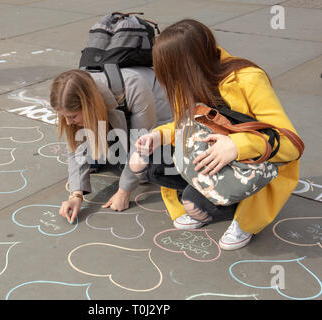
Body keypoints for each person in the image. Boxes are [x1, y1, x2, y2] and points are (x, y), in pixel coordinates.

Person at [129, 19, 302, 250]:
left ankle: (241, 214)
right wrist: (158, 136)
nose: (167, 78)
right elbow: (186, 125)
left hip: (246, 166)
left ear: (186, 64)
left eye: (169, 69)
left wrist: (236, 146)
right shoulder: (186, 82)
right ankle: (208, 197)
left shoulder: (247, 78)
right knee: (142, 162)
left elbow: (291, 144)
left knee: (192, 203)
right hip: (207, 156)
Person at [50, 67, 173, 224]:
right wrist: (76, 195)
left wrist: (124, 191)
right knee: (100, 155)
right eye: (64, 116)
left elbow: (140, 145)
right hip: (117, 114)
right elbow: (75, 148)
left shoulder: (134, 87)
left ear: (89, 106)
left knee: (146, 172)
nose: (67, 122)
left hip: (160, 106)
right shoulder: (72, 92)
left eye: (72, 116)